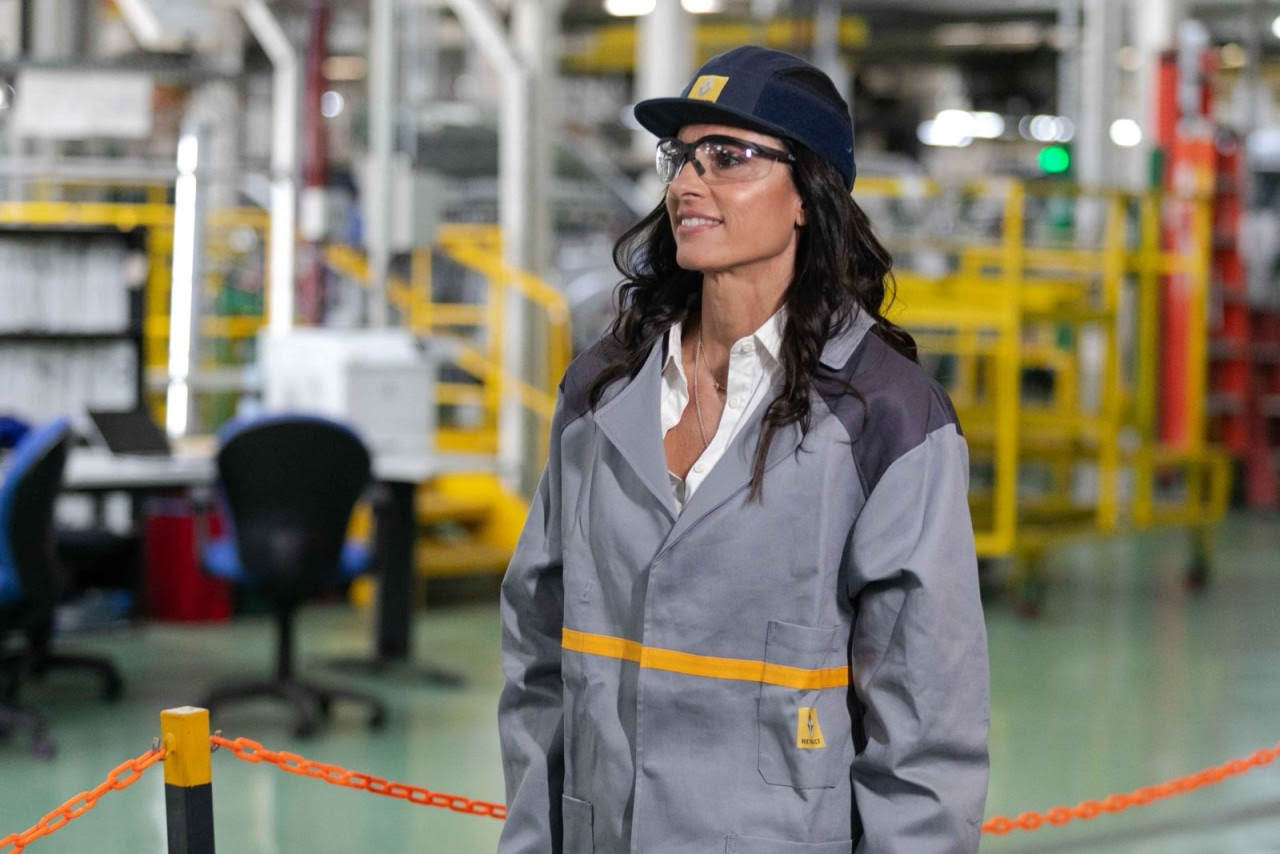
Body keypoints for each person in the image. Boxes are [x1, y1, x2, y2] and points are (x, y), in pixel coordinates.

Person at [498, 45, 989, 853]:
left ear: (807, 193)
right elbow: (536, 656)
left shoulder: (887, 419)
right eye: (683, 156)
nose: (688, 183)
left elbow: (926, 721)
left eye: (728, 157)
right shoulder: (601, 393)